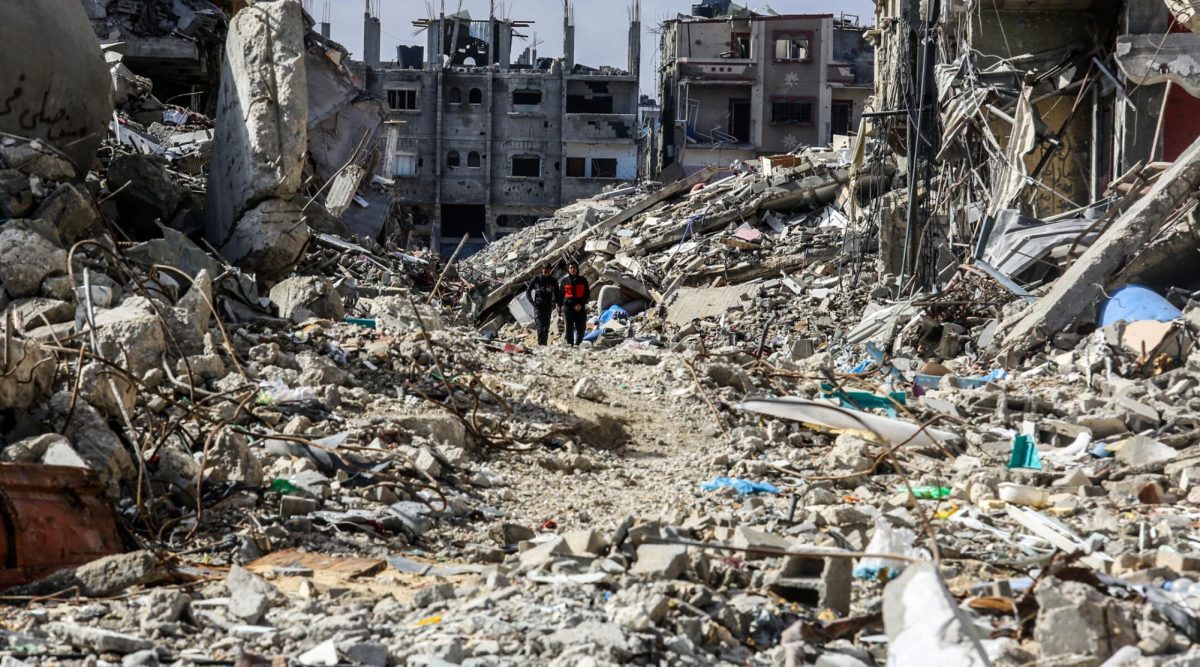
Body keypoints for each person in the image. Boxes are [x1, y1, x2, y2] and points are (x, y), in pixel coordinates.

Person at [525, 264, 561, 345]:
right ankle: (541, 344)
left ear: (550, 271)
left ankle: (543, 344)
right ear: (542, 269)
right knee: (540, 326)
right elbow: (528, 291)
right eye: (544, 271)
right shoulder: (537, 279)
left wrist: (558, 305)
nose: (546, 273)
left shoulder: (553, 281)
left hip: (548, 307)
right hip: (538, 306)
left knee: (546, 327)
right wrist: (532, 302)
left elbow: (557, 294)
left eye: (548, 271)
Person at [560, 261, 590, 346]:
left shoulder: (583, 280)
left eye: (574, 268)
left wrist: (581, 304)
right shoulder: (564, 281)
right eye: (571, 268)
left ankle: (578, 343)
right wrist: (559, 306)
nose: (573, 269)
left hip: (580, 307)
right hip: (568, 308)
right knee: (569, 328)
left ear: (577, 269)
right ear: (568, 269)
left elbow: (587, 294)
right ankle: (570, 344)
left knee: (581, 327)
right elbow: (561, 295)